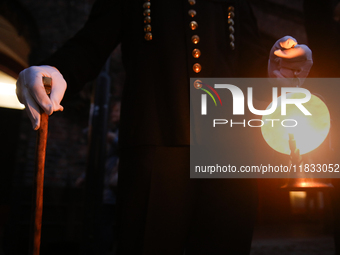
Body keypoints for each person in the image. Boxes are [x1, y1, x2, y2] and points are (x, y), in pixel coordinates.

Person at [16, 0, 312, 254]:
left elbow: (246, 58)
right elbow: (92, 42)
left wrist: (273, 69)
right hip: (156, 138)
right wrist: (55, 68)